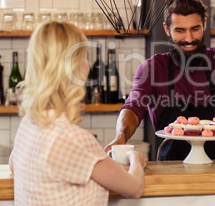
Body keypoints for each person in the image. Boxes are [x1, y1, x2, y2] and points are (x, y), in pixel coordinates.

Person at [105, 0, 215, 161]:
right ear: (167, 29)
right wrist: (120, 136)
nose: (189, 39)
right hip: (169, 170)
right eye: (180, 30)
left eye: (195, 29)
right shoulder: (152, 69)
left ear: (204, 24)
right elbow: (133, 108)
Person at [9, 21, 147, 205]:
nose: (88, 66)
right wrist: (135, 158)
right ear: (74, 67)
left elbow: (13, 164)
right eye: (84, 57)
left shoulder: (29, 123)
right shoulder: (72, 138)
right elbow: (134, 188)